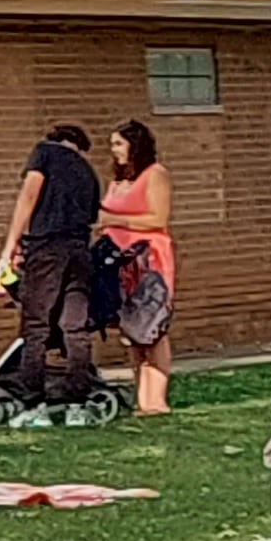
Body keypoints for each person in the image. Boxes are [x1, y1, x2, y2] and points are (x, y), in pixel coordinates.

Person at [0, 120, 103, 403]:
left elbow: (29, 196)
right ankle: (77, 393)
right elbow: (93, 218)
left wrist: (9, 248)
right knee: (75, 325)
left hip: (46, 249)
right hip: (80, 252)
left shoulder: (45, 152)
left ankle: (30, 392)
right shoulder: (89, 173)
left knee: (36, 324)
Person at [98, 118, 179, 415]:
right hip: (119, 261)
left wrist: (114, 221)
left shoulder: (155, 175)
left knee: (152, 326)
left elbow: (157, 219)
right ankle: (142, 397)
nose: (114, 150)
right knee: (131, 328)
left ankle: (157, 400)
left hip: (149, 260)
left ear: (136, 144)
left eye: (119, 143)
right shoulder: (118, 181)